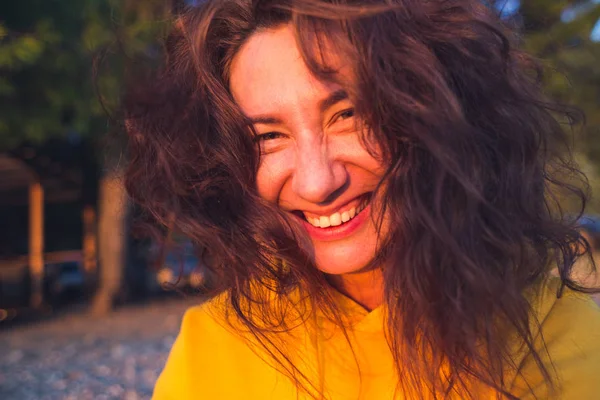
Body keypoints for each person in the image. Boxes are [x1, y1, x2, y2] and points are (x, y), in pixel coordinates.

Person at [123, 1, 600, 399]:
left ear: (440, 111)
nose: (316, 182)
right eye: (268, 136)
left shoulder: (556, 334)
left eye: (348, 114)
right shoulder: (215, 349)